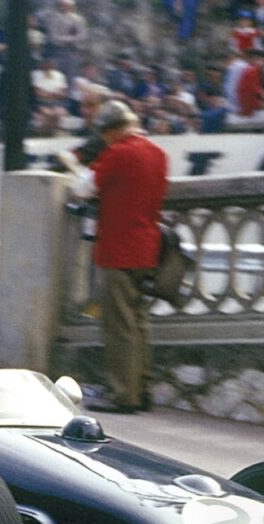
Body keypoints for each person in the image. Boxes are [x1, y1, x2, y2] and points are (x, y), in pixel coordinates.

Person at [71, 100, 167, 414]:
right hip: (148, 246)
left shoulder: (118, 153)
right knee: (139, 323)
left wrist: (82, 165)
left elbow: (82, 189)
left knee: (118, 326)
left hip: (118, 248)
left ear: (112, 130)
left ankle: (122, 393)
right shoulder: (157, 153)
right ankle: (143, 387)